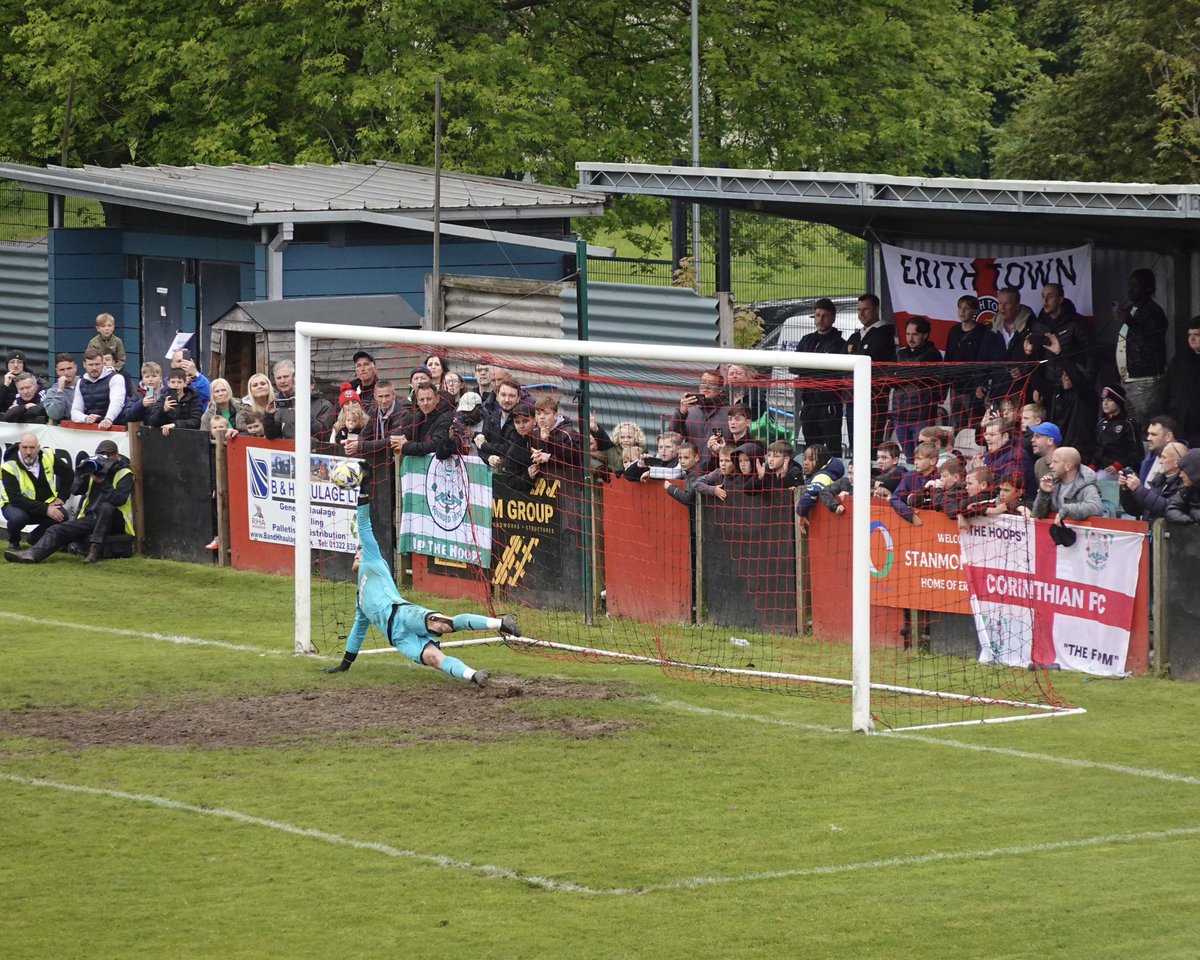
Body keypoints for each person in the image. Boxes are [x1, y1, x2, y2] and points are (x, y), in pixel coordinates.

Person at [323, 465, 519, 684]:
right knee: (433, 658)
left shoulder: (373, 560)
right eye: (356, 553)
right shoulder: (361, 600)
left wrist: (365, 488)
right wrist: (344, 665)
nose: (358, 555)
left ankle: (502, 624)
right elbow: (357, 633)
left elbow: (364, 524)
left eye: (360, 551)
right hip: (398, 638)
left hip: (404, 614)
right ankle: (474, 676)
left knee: (443, 624)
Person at [5, 438, 134, 565]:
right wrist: (83, 474)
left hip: (115, 520)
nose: (104, 459)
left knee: (107, 506)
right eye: (101, 455)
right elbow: (76, 490)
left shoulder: (124, 472)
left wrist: (103, 483)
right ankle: (32, 554)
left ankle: (94, 551)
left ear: (116, 455)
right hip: (92, 518)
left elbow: (119, 499)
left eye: (108, 456)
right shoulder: (96, 469)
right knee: (56, 529)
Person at [943, 295, 1005, 438]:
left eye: (967, 308)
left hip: (973, 387)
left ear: (975, 311)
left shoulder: (982, 332)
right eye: (960, 308)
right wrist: (946, 382)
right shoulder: (954, 331)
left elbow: (984, 360)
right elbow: (948, 358)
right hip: (956, 386)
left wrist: (981, 383)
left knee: (973, 424)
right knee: (956, 423)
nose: (962, 311)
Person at [1, 434, 73, 550]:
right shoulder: (9, 466)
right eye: (24, 447)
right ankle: (14, 542)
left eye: (32, 448)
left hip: (42, 503)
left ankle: (35, 538)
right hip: (15, 506)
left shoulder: (48, 456)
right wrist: (46, 510)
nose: (28, 452)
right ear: (19, 447)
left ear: (38, 447)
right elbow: (16, 499)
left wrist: (62, 497)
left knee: (62, 515)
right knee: (18, 518)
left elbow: (68, 473)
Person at [1116, 268, 1169, 424]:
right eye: (1129, 286)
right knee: (1131, 426)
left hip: (1146, 381)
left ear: (1148, 289)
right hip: (1127, 379)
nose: (1130, 290)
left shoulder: (1154, 312)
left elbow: (1151, 343)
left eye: (1135, 286)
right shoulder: (1132, 310)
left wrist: (1131, 322)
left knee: (1147, 428)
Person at [846, 293, 896, 447]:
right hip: (852, 396)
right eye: (858, 310)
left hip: (874, 397)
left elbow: (872, 357)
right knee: (854, 441)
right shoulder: (855, 337)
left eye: (865, 309)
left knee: (871, 440)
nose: (861, 314)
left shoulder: (885, 333)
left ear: (876, 309)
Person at [892, 317, 944, 458]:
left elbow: (924, 379)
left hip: (922, 415)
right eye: (908, 334)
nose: (910, 338)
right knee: (909, 458)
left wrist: (903, 376)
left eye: (914, 334)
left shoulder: (933, 354)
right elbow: (891, 379)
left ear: (925, 335)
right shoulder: (900, 354)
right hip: (900, 413)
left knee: (923, 456)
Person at [670, 369, 729, 469]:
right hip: (692, 471)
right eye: (703, 383)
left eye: (711, 384)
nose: (706, 387)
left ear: (720, 389)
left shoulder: (728, 413)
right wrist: (681, 412)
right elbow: (674, 433)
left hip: (717, 472)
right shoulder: (691, 411)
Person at [266, 358, 335, 441]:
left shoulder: (325, 405)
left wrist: (303, 413)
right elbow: (272, 435)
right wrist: (268, 416)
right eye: (297, 384)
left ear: (312, 385)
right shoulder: (286, 404)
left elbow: (322, 434)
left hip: (313, 452)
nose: (282, 381)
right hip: (289, 451)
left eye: (286, 377)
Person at [1032, 446, 1104, 525]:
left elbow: (1097, 508)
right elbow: (1037, 515)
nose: (1051, 466)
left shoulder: (1087, 486)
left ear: (1067, 466)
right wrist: (1044, 493)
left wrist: (1067, 510)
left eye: (1055, 462)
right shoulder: (1052, 483)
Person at [1120, 441, 1186, 521]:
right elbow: (1135, 510)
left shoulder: (1185, 484)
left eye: (1164, 457)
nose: (1160, 461)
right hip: (1149, 530)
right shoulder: (1158, 480)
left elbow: (1166, 507)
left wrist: (1138, 489)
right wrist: (1127, 489)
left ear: (1177, 463)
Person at [1163, 317, 1200, 447]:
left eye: (1197, 335)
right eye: (1190, 335)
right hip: (1181, 427)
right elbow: (1166, 390)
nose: (1192, 339)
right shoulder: (1179, 361)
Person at [1092, 384, 1142, 478]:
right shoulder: (1101, 424)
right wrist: (1093, 465)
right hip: (1103, 469)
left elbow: (1137, 452)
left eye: (1110, 400)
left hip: (1123, 469)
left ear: (1119, 402)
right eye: (1103, 400)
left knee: (1101, 478)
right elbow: (1098, 450)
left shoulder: (1128, 423)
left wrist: (1119, 464)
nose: (1105, 403)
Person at [70, 348, 126, 428]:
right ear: (84, 365)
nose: (94, 368)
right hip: (91, 429)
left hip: (116, 427)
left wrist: (108, 419)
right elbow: (75, 412)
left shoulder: (116, 378)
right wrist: (85, 418)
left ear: (103, 363)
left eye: (97, 364)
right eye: (90, 365)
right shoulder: (80, 382)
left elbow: (117, 402)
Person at [796, 443, 846, 532]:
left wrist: (801, 512)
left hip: (824, 525)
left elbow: (810, 494)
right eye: (804, 459)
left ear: (821, 461)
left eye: (811, 459)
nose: (806, 463)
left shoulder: (822, 476)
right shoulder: (814, 475)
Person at [890, 440, 940, 525]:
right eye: (915, 459)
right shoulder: (910, 476)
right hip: (913, 526)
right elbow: (895, 498)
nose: (915, 463)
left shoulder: (942, 478)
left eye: (919, 459)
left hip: (938, 525)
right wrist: (909, 514)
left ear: (933, 461)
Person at [146, 367, 203, 435]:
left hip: (188, 437)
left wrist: (175, 424)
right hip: (168, 439)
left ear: (185, 383)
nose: (176, 385)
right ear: (168, 383)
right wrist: (163, 410)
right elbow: (153, 421)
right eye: (173, 382)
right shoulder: (163, 398)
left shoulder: (193, 397)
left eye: (179, 382)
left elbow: (196, 422)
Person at [1165, 449, 1200, 524]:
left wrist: (1191, 510)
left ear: (1195, 471)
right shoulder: (1185, 489)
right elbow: (1171, 510)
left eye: (1185, 471)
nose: (1181, 475)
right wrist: (1189, 520)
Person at [41, 353, 79, 423]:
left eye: (69, 368)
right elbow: (55, 415)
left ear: (75, 368)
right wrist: (60, 390)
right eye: (62, 370)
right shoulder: (52, 391)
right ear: (57, 371)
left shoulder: (85, 384)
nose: (66, 373)